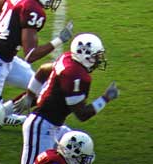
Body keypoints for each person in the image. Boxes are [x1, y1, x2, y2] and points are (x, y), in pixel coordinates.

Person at [16, 33, 119, 163]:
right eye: (96, 56)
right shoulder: (77, 76)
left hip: (53, 125)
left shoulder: (67, 58)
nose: (98, 60)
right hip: (42, 127)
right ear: (84, 54)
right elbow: (82, 114)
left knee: (80, 151)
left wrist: (29, 96)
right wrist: (105, 98)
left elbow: (42, 70)